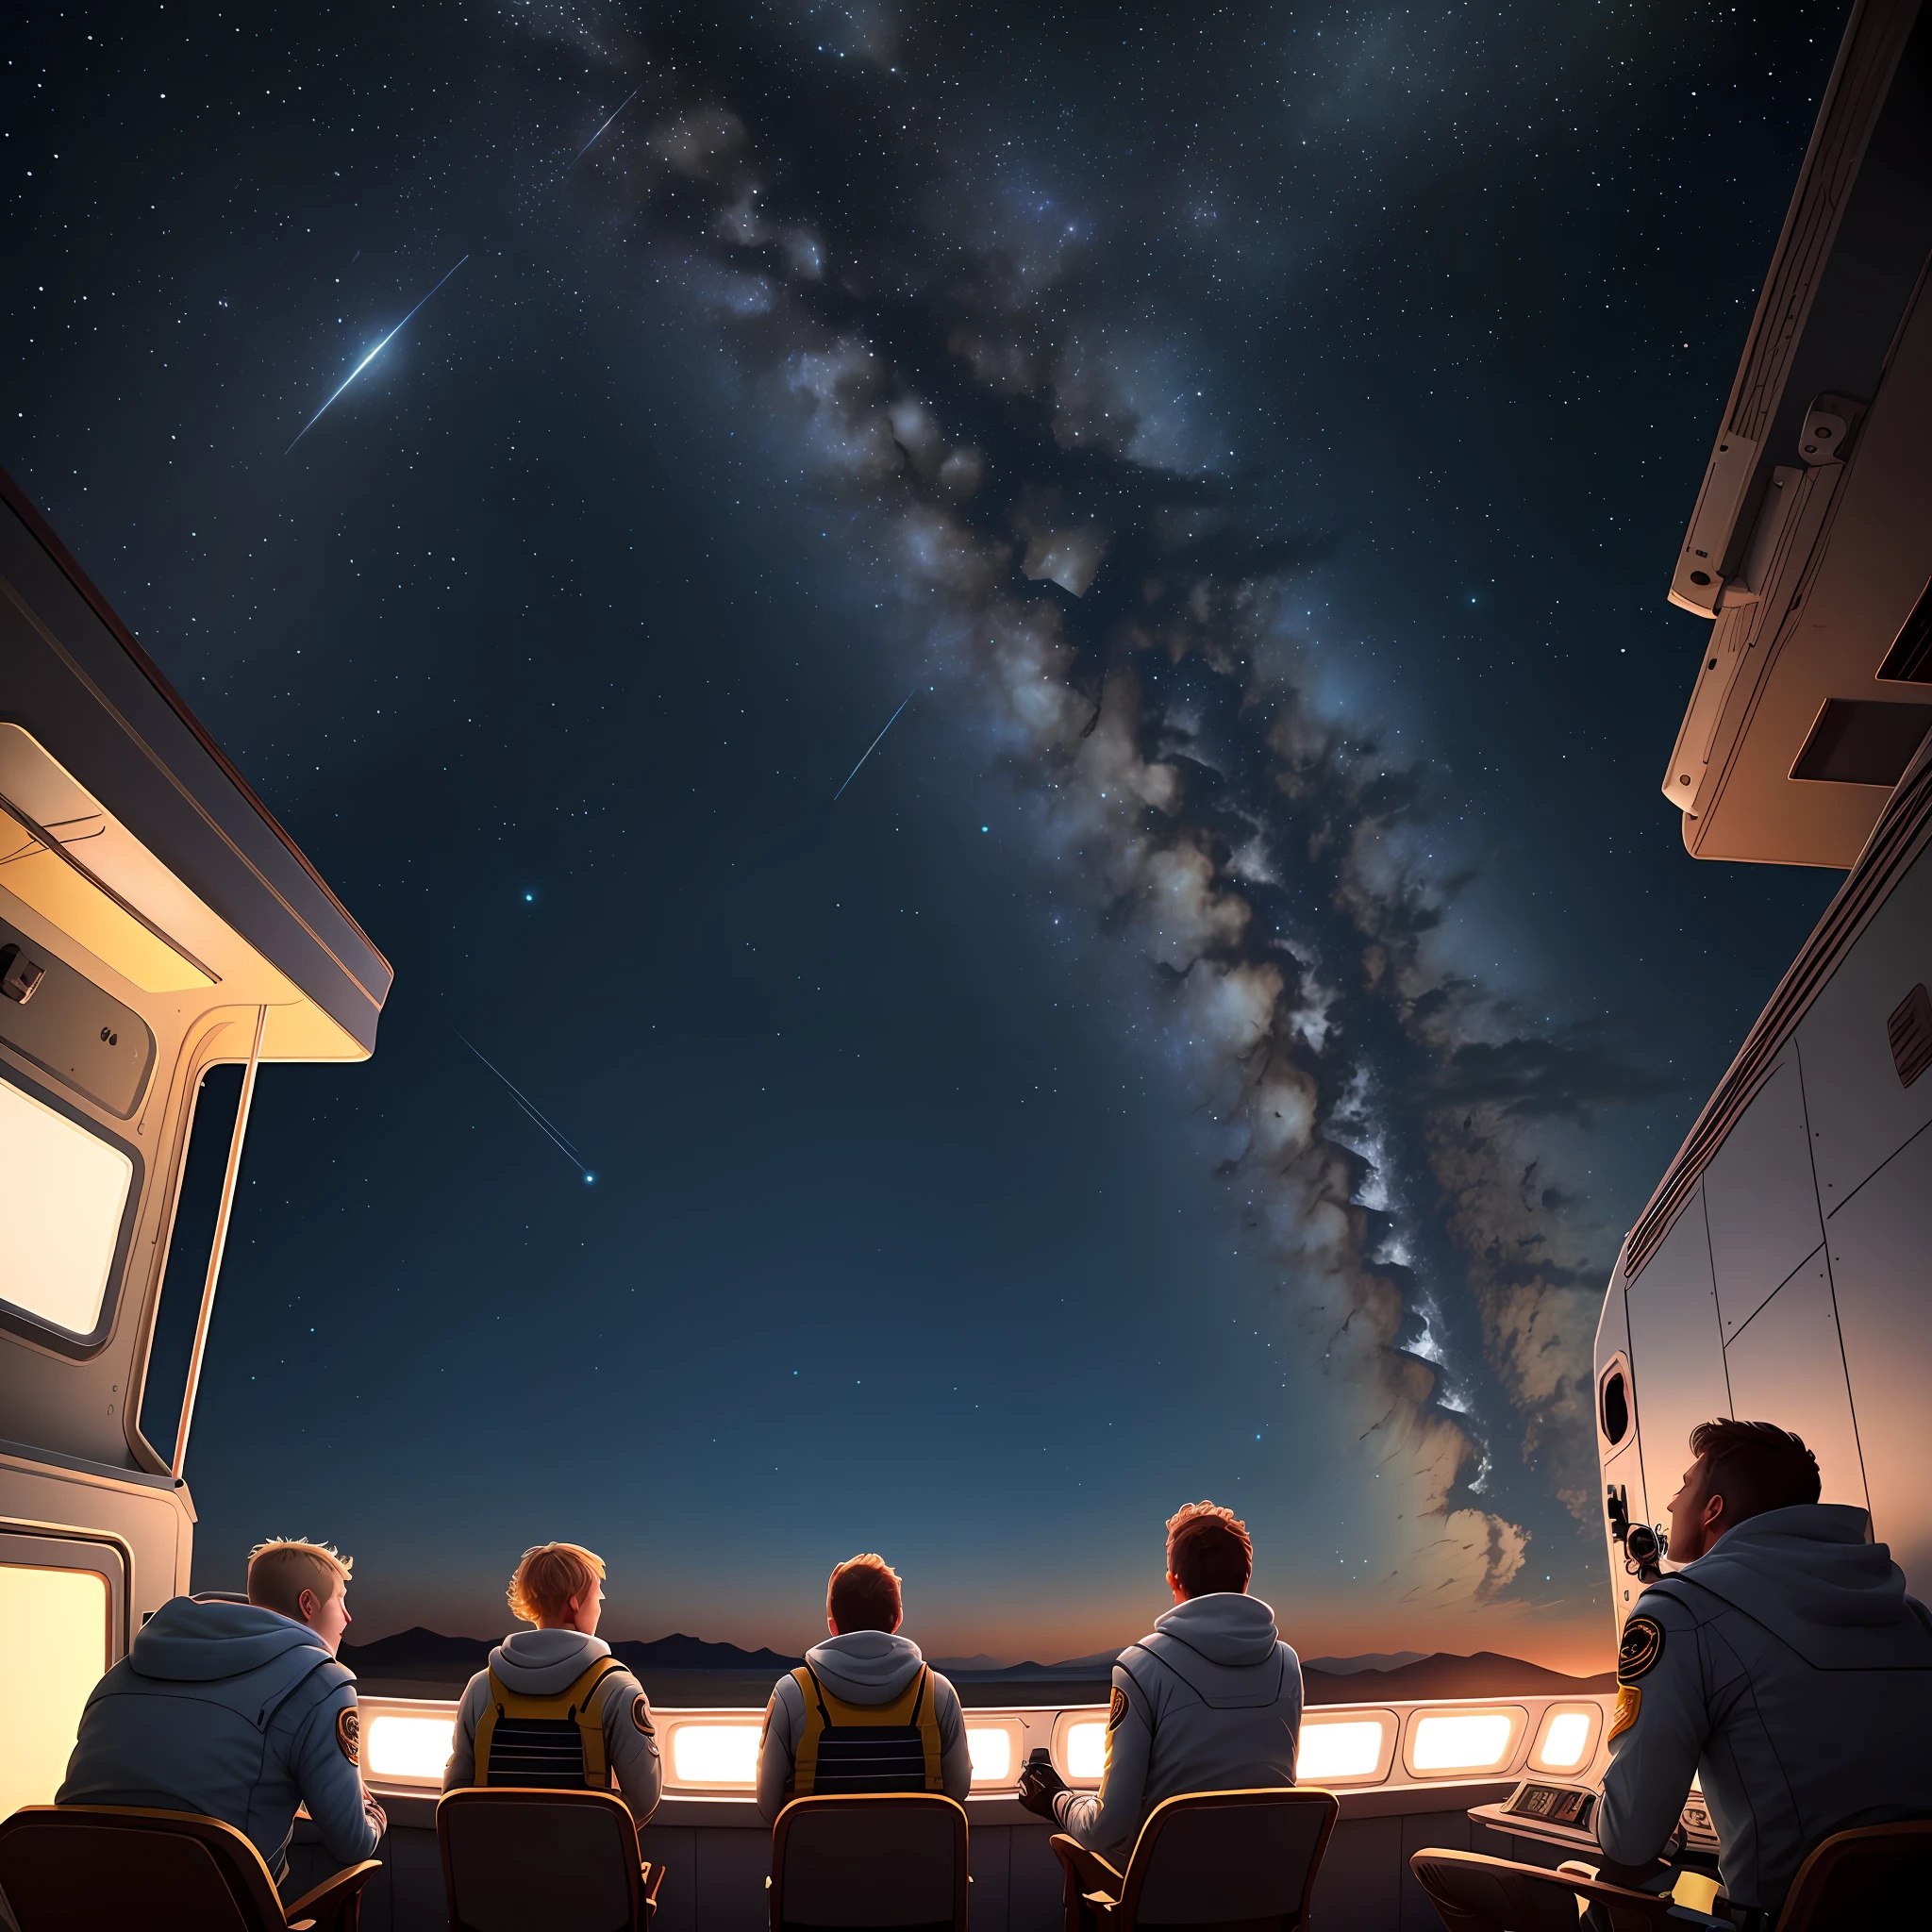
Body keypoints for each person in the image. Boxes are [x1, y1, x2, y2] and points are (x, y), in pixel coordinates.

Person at [1594, 1419, 1932, 1923]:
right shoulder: (1913, 1615)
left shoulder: (1676, 1611)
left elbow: (1630, 1838)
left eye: (1684, 1484)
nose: (1669, 1504)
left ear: (1714, 1508)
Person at [58, 1538, 385, 1890]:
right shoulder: (322, 1682)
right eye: (340, 1600)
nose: (347, 1617)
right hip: (209, 1905)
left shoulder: (122, 1670)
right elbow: (352, 1843)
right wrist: (372, 1814)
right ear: (308, 1603)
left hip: (74, 1893)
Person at [1020, 1501, 1302, 1868]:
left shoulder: (1140, 1666)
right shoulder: (1287, 1663)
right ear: (1246, 1580)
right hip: (1268, 1887)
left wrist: (1056, 1798)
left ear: (1173, 1581)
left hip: (1171, 1895)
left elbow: (1108, 1827)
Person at [443, 1541, 660, 1828]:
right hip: (586, 1867)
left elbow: (455, 1794)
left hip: (495, 1868)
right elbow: (643, 1802)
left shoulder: (480, 1686)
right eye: (597, 1597)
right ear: (574, 1603)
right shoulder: (619, 1689)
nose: (599, 1608)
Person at [757, 1552, 971, 1823]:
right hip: (915, 1862)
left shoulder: (792, 1693)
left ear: (832, 1625)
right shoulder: (938, 1692)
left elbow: (768, 1805)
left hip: (819, 1862)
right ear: (897, 1620)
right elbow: (958, 1792)